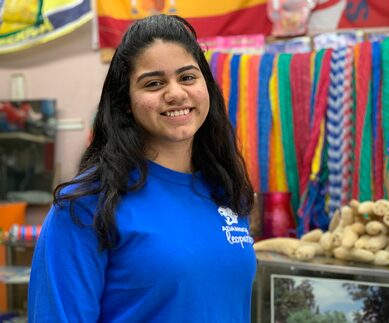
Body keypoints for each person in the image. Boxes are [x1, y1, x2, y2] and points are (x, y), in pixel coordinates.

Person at [28, 14, 256, 322]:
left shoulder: (224, 189)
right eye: (154, 83)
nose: (175, 93)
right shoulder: (86, 204)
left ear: (206, 87)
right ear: (125, 102)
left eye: (187, 77)